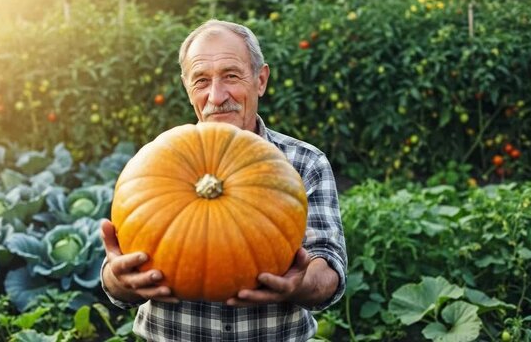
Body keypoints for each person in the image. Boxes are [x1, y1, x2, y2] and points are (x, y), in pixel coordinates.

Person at [100, 19, 347, 341]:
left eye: (231, 76)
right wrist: (119, 280)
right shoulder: (153, 164)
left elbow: (328, 268)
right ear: (188, 89)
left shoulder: (304, 162)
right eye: (201, 81)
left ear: (260, 80)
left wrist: (299, 285)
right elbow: (118, 276)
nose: (217, 96)